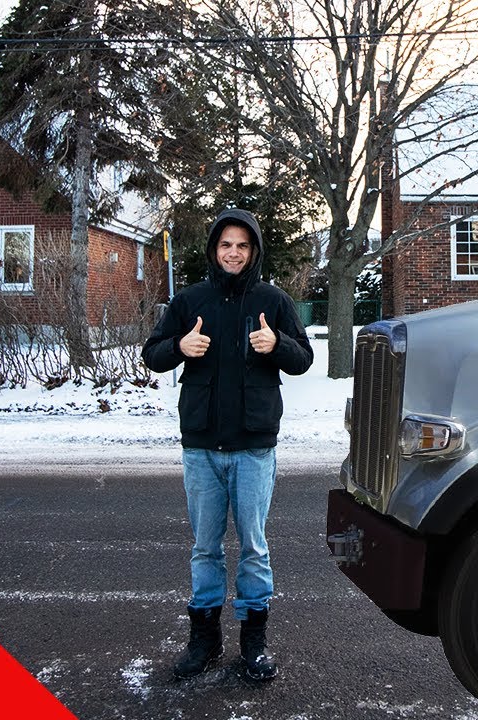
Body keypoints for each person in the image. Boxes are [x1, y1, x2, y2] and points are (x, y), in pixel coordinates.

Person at [142, 208, 313, 682]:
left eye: (242, 245)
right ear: (214, 250)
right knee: (205, 548)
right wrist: (179, 347)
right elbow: (152, 353)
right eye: (225, 245)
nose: (233, 253)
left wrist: (276, 344)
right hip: (202, 447)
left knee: (254, 547)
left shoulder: (273, 300)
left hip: (254, 447)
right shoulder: (190, 300)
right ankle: (205, 639)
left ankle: (253, 641)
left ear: (253, 250)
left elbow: (303, 358)